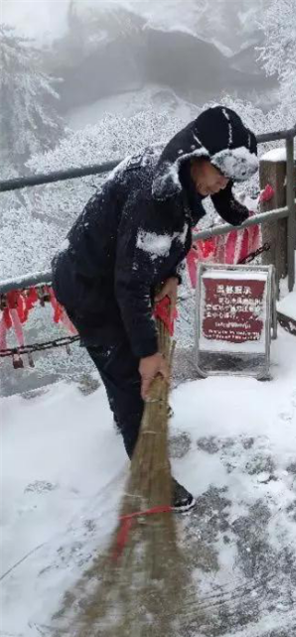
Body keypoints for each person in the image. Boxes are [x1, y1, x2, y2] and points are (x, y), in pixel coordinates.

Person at [51, 106, 259, 512]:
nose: (222, 184)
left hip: (111, 273)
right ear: (197, 156)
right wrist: (148, 354)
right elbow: (129, 284)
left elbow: (172, 237)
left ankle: (125, 415)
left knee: (127, 370)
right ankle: (150, 476)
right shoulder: (156, 196)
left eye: (229, 179)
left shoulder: (176, 173)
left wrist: (173, 275)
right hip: (90, 286)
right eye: (220, 173)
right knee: (133, 375)